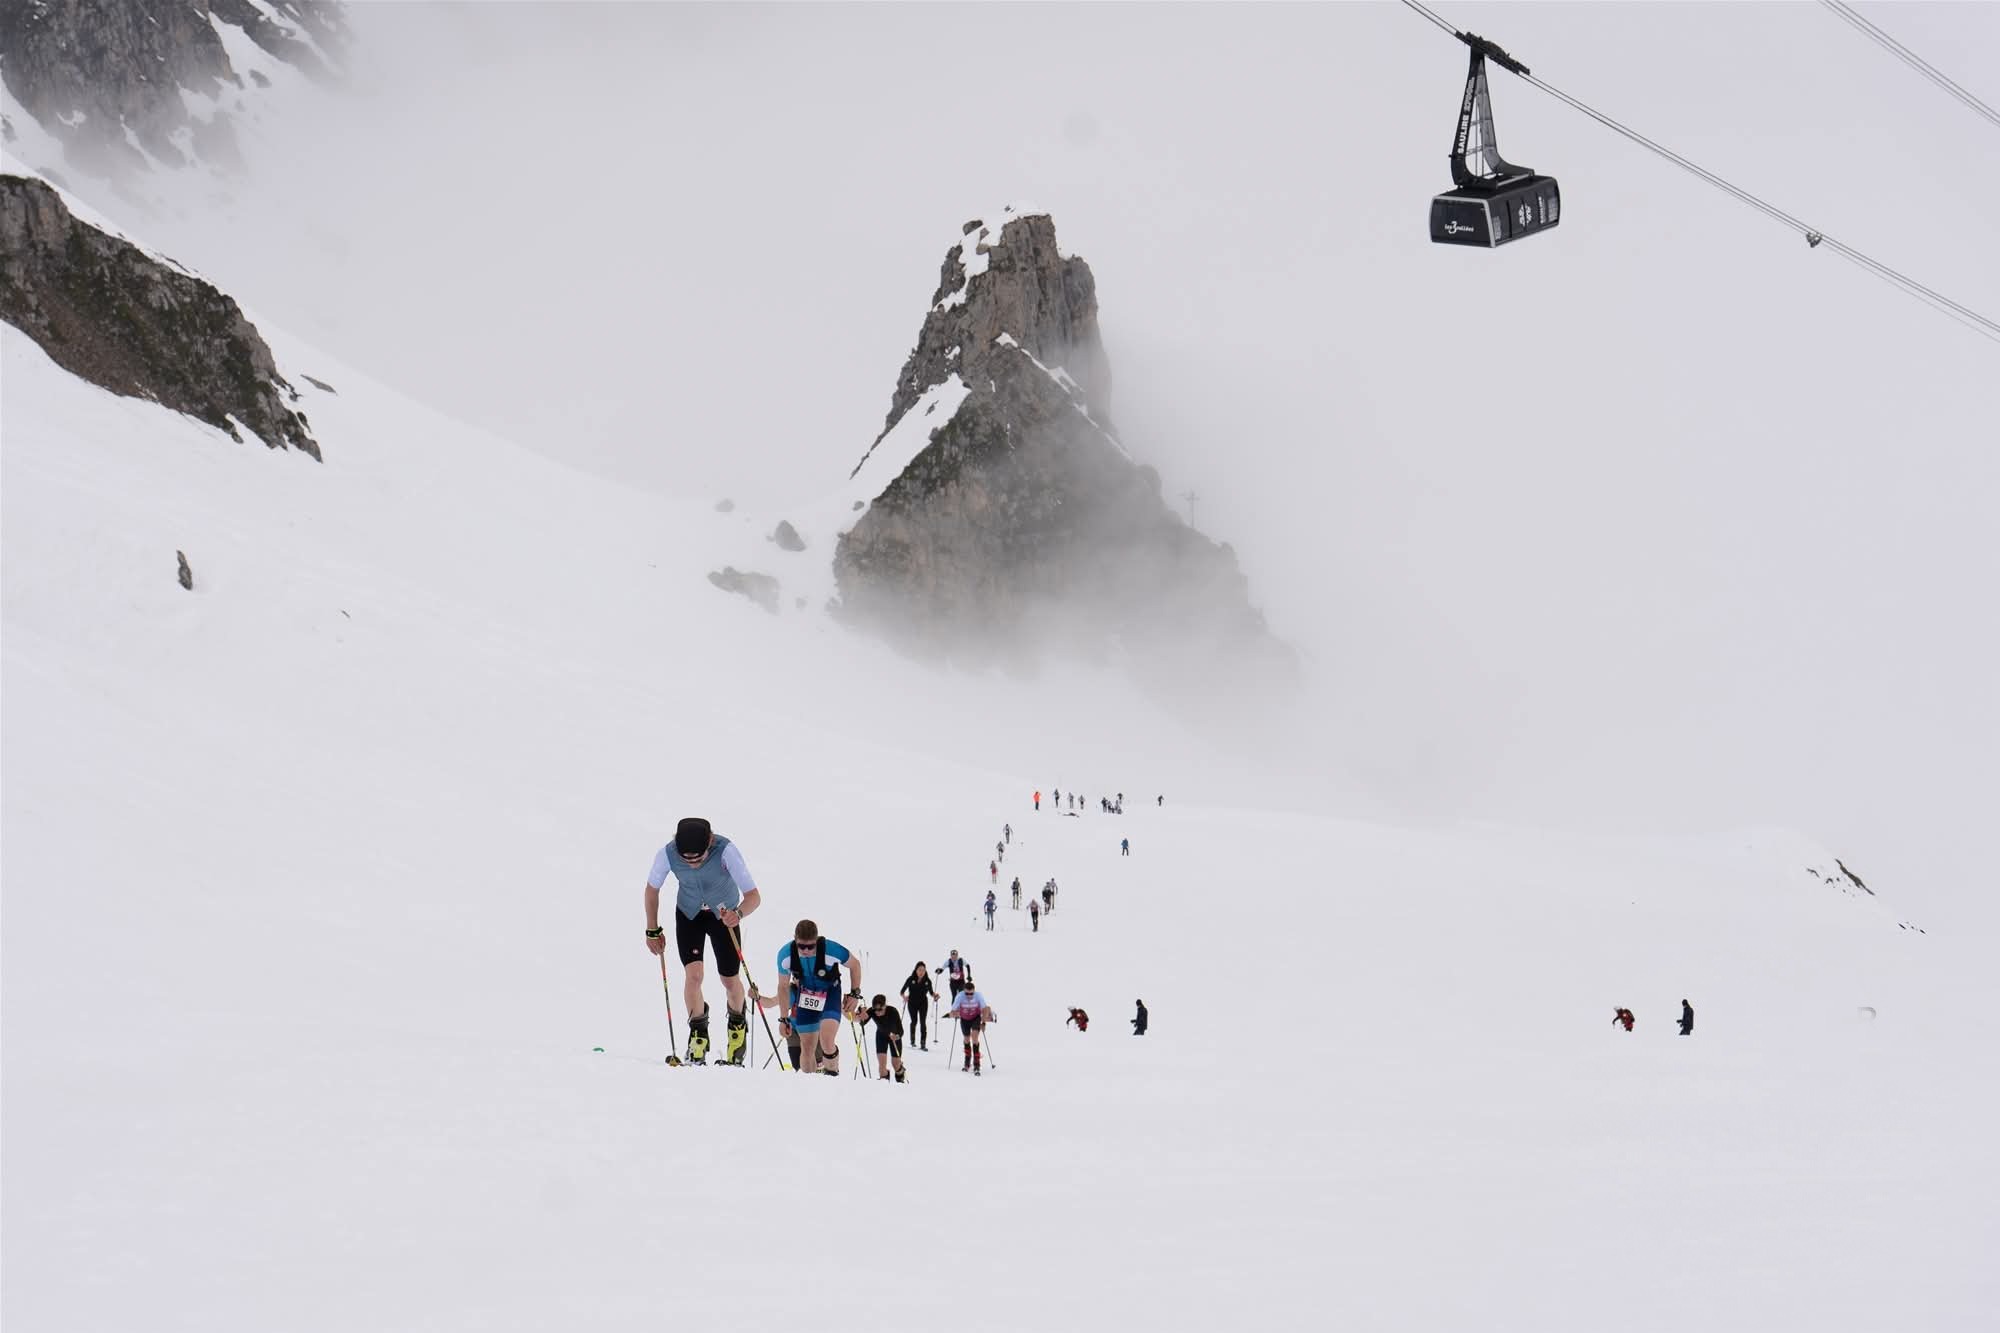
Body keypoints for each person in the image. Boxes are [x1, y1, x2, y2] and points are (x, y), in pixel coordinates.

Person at [644, 816, 762, 1065]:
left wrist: (738, 913)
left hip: (724, 917)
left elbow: (753, 896)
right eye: (687, 860)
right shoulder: (667, 853)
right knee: (694, 976)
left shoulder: (726, 851)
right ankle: (698, 1036)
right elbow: (651, 889)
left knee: (729, 981)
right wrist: (652, 929)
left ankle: (737, 1030)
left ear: (710, 841)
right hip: (689, 915)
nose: (694, 864)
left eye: (699, 857)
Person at [748, 919, 860, 1076]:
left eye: (811, 946)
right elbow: (783, 987)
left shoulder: (831, 949)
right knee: (807, 1048)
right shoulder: (785, 955)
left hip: (829, 994)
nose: (806, 950)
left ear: (817, 940)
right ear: (795, 940)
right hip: (806, 997)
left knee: (827, 1040)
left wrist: (855, 993)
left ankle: (832, 1074)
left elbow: (855, 965)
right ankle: (809, 1086)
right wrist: (783, 1019)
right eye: (801, 946)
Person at [951, 977, 997, 1074]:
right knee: (967, 1039)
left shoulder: (978, 995)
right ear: (964, 991)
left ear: (974, 991)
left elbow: (985, 1009)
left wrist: (983, 1023)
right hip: (964, 1019)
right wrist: (956, 1013)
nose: (969, 996)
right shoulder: (959, 996)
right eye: (967, 993)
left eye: (971, 993)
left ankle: (977, 1063)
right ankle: (967, 1061)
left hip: (975, 1018)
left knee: (975, 1037)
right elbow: (953, 1011)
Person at [858, 994, 908, 1081]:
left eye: (880, 1009)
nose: (877, 1012)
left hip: (894, 1038)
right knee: (881, 1066)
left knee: (896, 1065)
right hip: (881, 1036)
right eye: (875, 1009)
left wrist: (897, 1036)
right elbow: (863, 1022)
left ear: (885, 1006)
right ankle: (884, 1085)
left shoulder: (893, 1011)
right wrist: (861, 1015)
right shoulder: (872, 1011)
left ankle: (901, 1075)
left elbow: (901, 1030)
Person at [900, 962, 936, 1050]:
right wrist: (904, 997)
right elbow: (902, 991)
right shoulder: (911, 979)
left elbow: (931, 992)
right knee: (914, 1021)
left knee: (923, 1022)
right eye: (919, 970)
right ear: (916, 970)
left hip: (923, 1003)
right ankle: (912, 1040)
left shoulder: (927, 981)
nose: (921, 972)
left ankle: (923, 1043)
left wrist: (935, 996)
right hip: (912, 1002)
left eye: (923, 970)